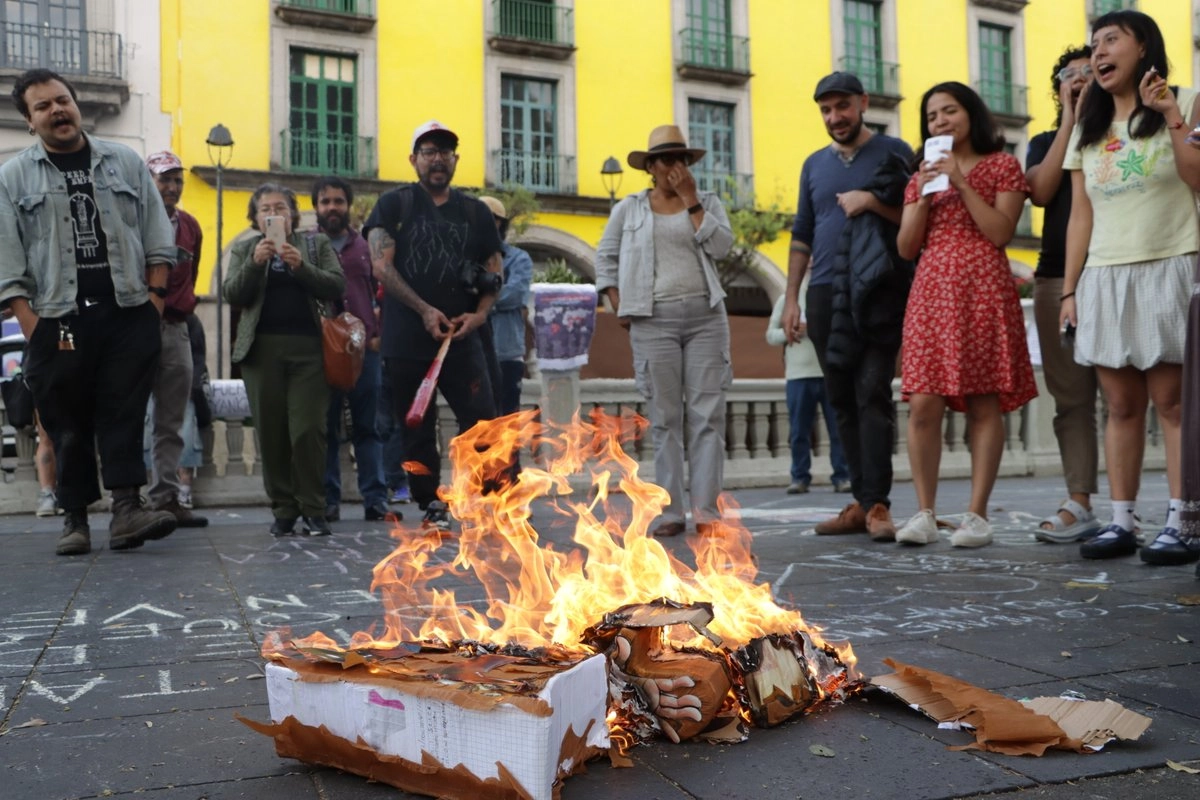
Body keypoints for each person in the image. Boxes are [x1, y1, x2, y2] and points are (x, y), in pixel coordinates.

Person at [0, 69, 179, 556]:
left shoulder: (123, 161)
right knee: (66, 421)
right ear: (30, 121)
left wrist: (154, 302)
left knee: (124, 413)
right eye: (43, 106)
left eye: (63, 101)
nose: (57, 110)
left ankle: (127, 510)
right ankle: (74, 519)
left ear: (76, 105)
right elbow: (7, 260)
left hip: (126, 312)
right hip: (56, 318)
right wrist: (30, 323)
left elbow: (158, 235)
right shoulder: (12, 176)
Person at [1060, 9, 1200, 563]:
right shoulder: (1088, 130)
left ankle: (1184, 520)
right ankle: (1121, 521)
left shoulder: (1186, 102)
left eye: (1111, 40)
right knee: (1119, 405)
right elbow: (1080, 217)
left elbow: (1198, 179)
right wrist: (1070, 291)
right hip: (1104, 275)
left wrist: (1169, 115)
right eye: (1094, 45)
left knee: (1172, 401)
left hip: (1169, 262)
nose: (1098, 53)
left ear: (1144, 48)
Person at [895, 81, 1035, 548]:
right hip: (932, 291)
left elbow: (999, 232)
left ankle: (976, 515)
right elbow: (906, 246)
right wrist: (928, 193)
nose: (940, 122)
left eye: (949, 111)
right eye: (932, 116)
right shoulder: (919, 178)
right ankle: (924, 512)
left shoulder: (1002, 166)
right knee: (923, 403)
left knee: (983, 401)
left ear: (971, 113)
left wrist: (959, 179)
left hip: (984, 291)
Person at [782, 72, 914, 541]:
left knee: (873, 392)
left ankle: (878, 503)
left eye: (842, 107)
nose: (834, 117)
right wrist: (790, 299)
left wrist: (872, 203)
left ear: (863, 102)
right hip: (822, 293)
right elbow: (802, 233)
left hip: (879, 289)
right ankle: (860, 501)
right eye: (826, 110)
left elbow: (919, 220)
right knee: (839, 399)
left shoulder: (896, 152)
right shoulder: (813, 165)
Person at [364, 121, 503, 531]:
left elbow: (495, 269)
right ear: (414, 159)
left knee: (481, 420)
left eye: (445, 151)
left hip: (462, 338)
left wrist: (478, 315)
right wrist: (424, 309)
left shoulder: (475, 211)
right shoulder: (394, 205)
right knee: (416, 427)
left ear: (455, 160)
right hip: (407, 339)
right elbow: (380, 265)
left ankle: (482, 498)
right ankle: (431, 503)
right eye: (429, 150)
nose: (437, 158)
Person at [596, 124, 733, 538]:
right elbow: (606, 258)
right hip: (652, 320)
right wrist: (620, 304)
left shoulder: (707, 203)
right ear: (650, 167)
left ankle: (707, 511)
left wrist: (691, 200)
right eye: (665, 159)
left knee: (708, 416)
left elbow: (722, 248)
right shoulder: (629, 209)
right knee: (665, 418)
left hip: (706, 317)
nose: (673, 166)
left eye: (680, 159)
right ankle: (671, 511)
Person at [224, 183, 345, 537]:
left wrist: (301, 267)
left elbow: (337, 286)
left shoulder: (315, 244)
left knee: (309, 430)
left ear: (293, 215)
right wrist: (255, 262)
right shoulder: (246, 247)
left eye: (280, 207)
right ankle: (284, 507)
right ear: (256, 217)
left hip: (310, 350)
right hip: (261, 353)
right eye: (266, 209)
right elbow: (233, 293)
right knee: (272, 433)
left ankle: (313, 507)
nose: (273, 214)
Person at [1025, 47, 1101, 545]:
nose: (1078, 80)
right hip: (1056, 279)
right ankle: (1080, 501)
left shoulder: (1125, 134)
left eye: (1088, 73)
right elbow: (1041, 191)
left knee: (1129, 398)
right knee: (1071, 399)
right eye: (1068, 75)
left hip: (1118, 271)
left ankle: (1127, 508)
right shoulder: (1044, 140)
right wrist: (1072, 116)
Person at [311, 176, 391, 523]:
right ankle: (329, 500)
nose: (332, 208)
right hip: (323, 350)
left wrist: (379, 334)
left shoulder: (365, 248)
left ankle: (375, 498)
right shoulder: (309, 247)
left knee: (368, 427)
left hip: (364, 352)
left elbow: (384, 292)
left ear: (348, 205)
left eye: (338, 201)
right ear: (316, 207)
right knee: (325, 428)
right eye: (326, 201)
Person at [144, 150, 207, 528]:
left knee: (173, 416)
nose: (172, 187)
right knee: (129, 413)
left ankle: (167, 498)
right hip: (136, 326)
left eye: (177, 180)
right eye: (165, 179)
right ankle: (130, 501)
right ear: (149, 183)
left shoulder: (191, 226)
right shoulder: (134, 221)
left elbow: (192, 271)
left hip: (176, 325)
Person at [765, 282, 850, 497]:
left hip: (830, 372)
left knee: (838, 430)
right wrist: (789, 332)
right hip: (798, 376)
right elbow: (770, 335)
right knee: (798, 432)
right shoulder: (788, 300)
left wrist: (817, 330)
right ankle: (799, 478)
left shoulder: (832, 296)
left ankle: (842, 476)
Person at [480, 196, 532, 416]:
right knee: (475, 423)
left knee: (508, 421)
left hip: (506, 352)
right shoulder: (462, 258)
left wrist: (479, 305)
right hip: (471, 352)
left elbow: (515, 294)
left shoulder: (518, 259)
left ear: (498, 223)